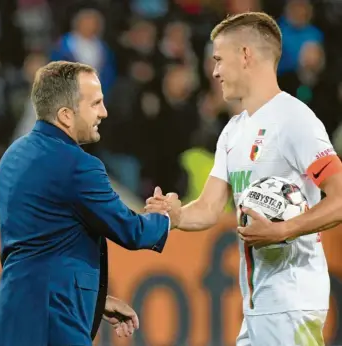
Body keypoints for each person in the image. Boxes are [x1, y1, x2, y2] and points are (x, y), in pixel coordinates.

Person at [145, 12, 342, 346]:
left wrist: (282, 230)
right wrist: (175, 214)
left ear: (246, 55)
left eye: (220, 59)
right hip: (257, 306)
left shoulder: (294, 119)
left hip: (292, 302)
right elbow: (208, 207)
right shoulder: (233, 131)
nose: (215, 71)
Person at [0, 61, 181, 346]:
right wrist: (167, 216)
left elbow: (39, 246)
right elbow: (132, 230)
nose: (103, 112)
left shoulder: (12, 156)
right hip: (54, 324)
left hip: (8, 319)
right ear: (66, 115)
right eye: (96, 103)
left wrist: (96, 299)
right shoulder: (79, 166)